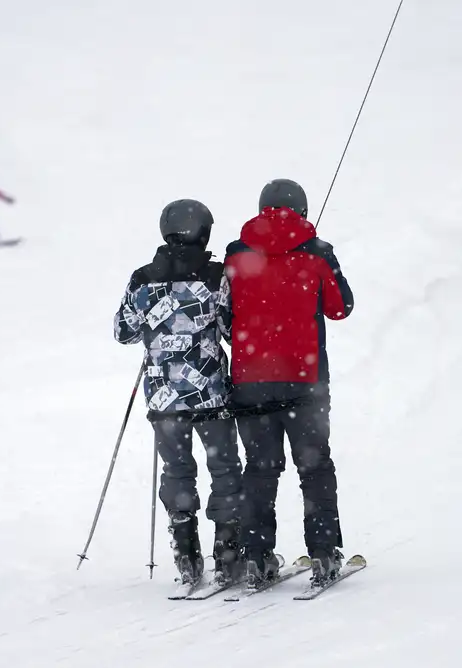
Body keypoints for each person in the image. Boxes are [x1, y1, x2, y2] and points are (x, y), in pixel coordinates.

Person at [218, 178, 354, 587]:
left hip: (250, 382)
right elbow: (341, 307)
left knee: (260, 470)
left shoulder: (235, 255)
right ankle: (324, 554)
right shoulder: (317, 252)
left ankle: (257, 557)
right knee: (314, 468)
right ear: (303, 209)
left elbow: (223, 317)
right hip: (304, 381)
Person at [113, 199, 245, 588]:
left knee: (177, 470)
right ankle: (228, 552)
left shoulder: (142, 278)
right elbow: (228, 327)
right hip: (211, 396)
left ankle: (186, 552)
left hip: (164, 399)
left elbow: (124, 331)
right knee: (223, 469)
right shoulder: (214, 276)